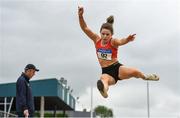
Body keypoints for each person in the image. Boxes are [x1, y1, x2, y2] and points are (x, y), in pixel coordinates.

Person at [78, 6, 159, 98]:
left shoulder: (113, 42)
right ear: (100, 33)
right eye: (103, 34)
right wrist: (80, 16)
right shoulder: (96, 40)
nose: (104, 36)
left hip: (117, 68)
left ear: (111, 35)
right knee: (104, 80)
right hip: (106, 71)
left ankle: (145, 77)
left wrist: (127, 40)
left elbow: (121, 41)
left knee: (135, 72)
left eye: (107, 34)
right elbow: (85, 28)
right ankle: (103, 90)